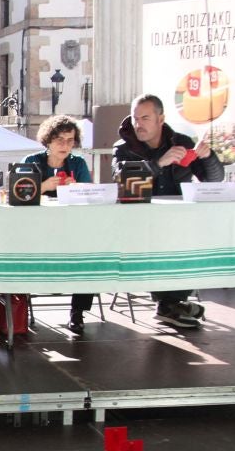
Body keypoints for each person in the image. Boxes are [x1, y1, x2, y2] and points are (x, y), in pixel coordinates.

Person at [112, 94, 223, 330]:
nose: (138, 124)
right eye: (135, 118)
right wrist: (158, 164)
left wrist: (208, 156)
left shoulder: (181, 141)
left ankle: (172, 305)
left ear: (160, 118)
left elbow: (214, 180)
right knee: (162, 240)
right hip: (139, 221)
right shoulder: (123, 148)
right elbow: (122, 180)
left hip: (178, 220)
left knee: (192, 239)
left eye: (145, 118)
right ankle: (171, 305)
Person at [24, 114, 95, 335]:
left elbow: (89, 197)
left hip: (71, 229)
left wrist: (75, 189)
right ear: (48, 140)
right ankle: (19, 308)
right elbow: (20, 195)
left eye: (70, 140)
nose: (65, 145)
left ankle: (78, 311)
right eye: (60, 140)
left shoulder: (78, 163)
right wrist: (43, 186)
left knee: (89, 255)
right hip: (36, 230)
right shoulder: (31, 161)